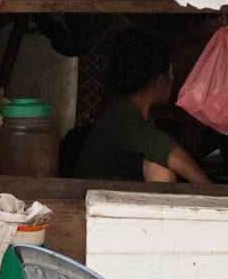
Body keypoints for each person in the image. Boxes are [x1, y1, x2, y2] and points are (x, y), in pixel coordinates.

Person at [74, 29, 210, 183]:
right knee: (160, 170)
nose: (172, 78)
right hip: (91, 196)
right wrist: (211, 191)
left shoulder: (132, 111)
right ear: (159, 81)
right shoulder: (120, 115)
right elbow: (165, 149)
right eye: (170, 72)